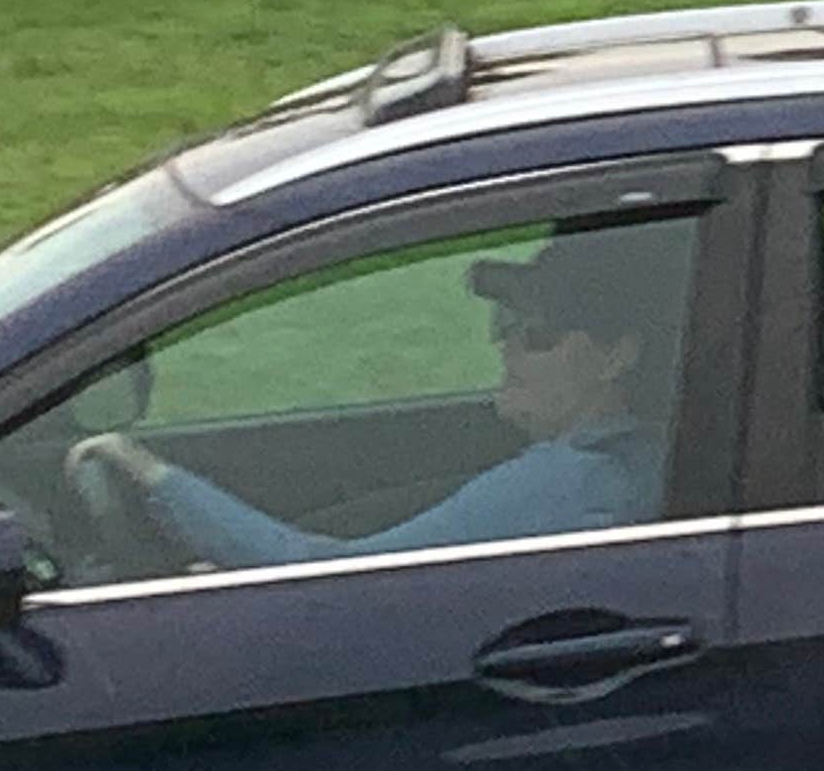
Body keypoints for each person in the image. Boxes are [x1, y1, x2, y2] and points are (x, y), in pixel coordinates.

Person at [67, 230, 676, 570]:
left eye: (538, 335)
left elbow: (316, 575)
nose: (508, 351)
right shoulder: (650, 461)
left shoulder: (576, 482)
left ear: (617, 354)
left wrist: (148, 473)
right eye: (503, 327)